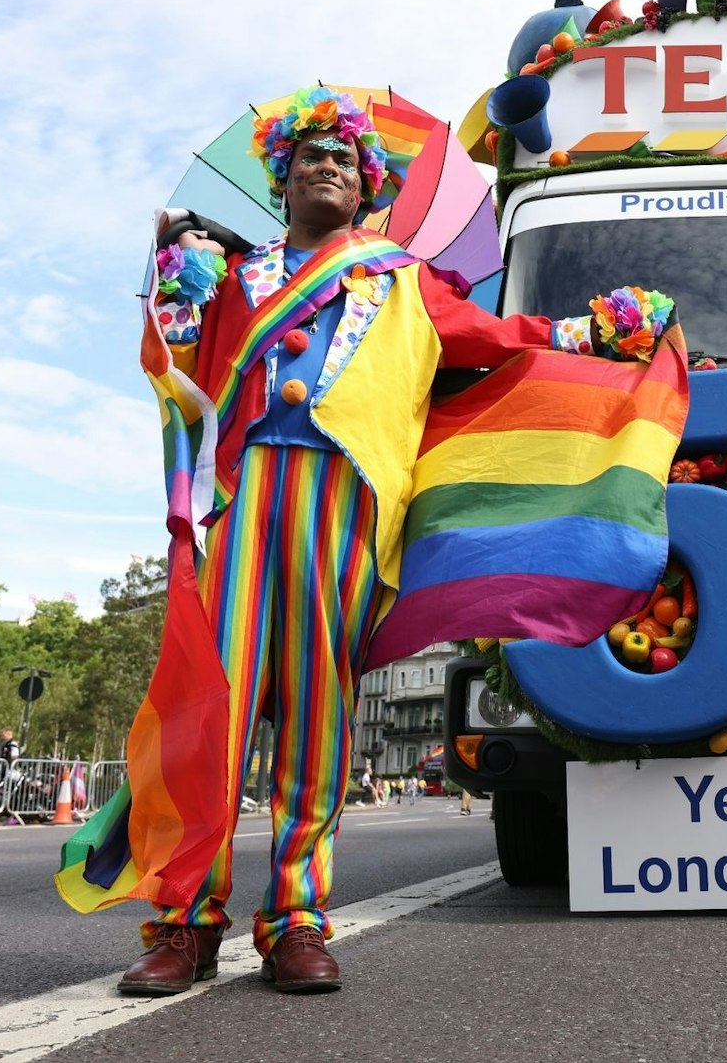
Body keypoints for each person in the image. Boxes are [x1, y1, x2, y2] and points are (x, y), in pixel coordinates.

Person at [56, 86, 680, 998]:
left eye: (344, 159)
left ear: (366, 188)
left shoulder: (407, 282)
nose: (328, 166)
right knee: (211, 713)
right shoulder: (233, 279)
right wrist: (173, 278)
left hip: (345, 507)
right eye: (311, 154)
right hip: (241, 498)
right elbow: (175, 364)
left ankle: (298, 920)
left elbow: (504, 340)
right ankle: (186, 923)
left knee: (317, 717)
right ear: (284, 178)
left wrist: (603, 329)